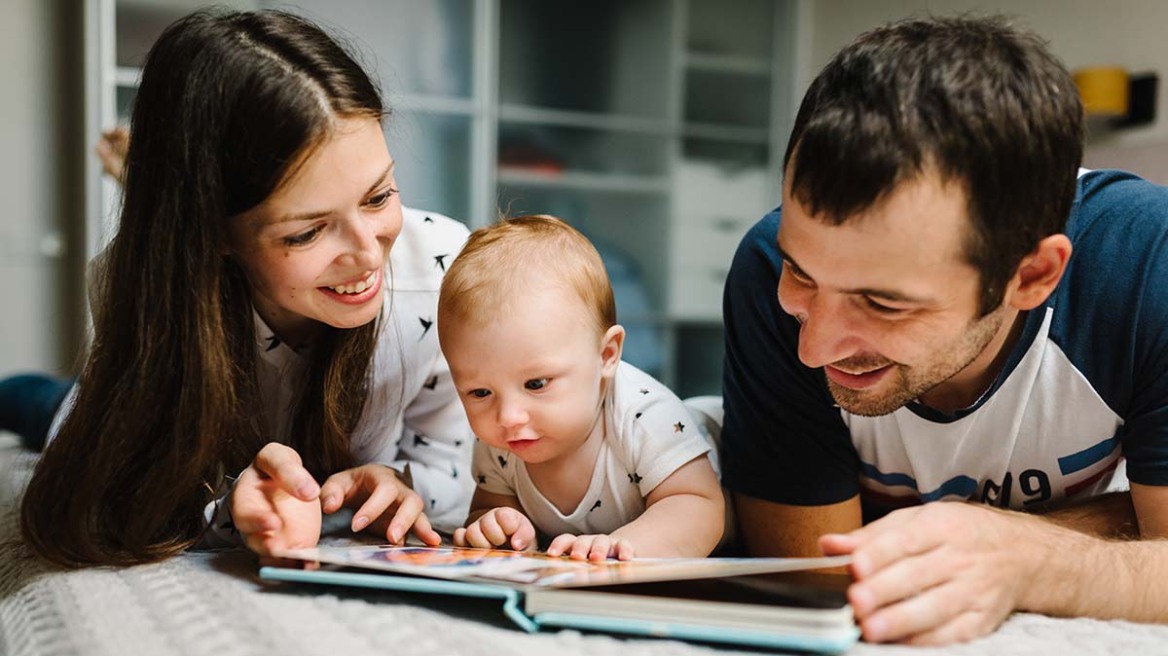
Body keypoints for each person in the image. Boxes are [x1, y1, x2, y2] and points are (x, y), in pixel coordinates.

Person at [721, 15, 1168, 645]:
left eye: (883, 303)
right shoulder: (763, 267)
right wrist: (1109, 523)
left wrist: (1030, 558)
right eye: (803, 273)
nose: (813, 347)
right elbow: (827, 575)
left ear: (1033, 275)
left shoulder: (1149, 264)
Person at [12, 8, 475, 568]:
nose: (365, 252)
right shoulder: (132, 287)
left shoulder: (443, 274)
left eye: (379, 196)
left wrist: (394, 487)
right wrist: (230, 506)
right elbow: (101, 499)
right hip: (128, 388)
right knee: (38, 403)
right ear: (214, 233)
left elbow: (463, 471)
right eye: (306, 231)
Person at [437, 215, 725, 561]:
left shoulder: (646, 418)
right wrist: (498, 525)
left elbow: (701, 508)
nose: (508, 416)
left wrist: (623, 544)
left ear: (606, 354)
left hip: (731, 442)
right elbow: (489, 507)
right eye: (480, 393)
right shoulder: (501, 444)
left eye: (536, 384)